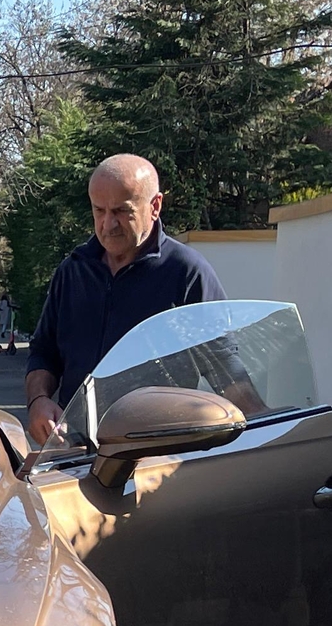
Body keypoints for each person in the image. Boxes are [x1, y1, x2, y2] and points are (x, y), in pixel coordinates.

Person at [24, 153, 222, 445]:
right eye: (99, 210)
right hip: (75, 453)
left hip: (155, 457)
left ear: (155, 206)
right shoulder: (72, 271)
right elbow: (44, 352)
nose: (108, 224)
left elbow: (224, 364)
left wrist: (268, 430)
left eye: (121, 211)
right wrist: (38, 401)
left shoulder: (187, 273)